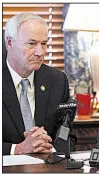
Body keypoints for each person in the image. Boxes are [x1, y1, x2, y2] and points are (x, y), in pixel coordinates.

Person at [3, 13, 76, 155]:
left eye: (43, 44)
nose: (40, 52)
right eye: (31, 44)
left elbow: (67, 135)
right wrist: (17, 149)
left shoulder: (57, 80)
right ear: (9, 43)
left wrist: (49, 147)